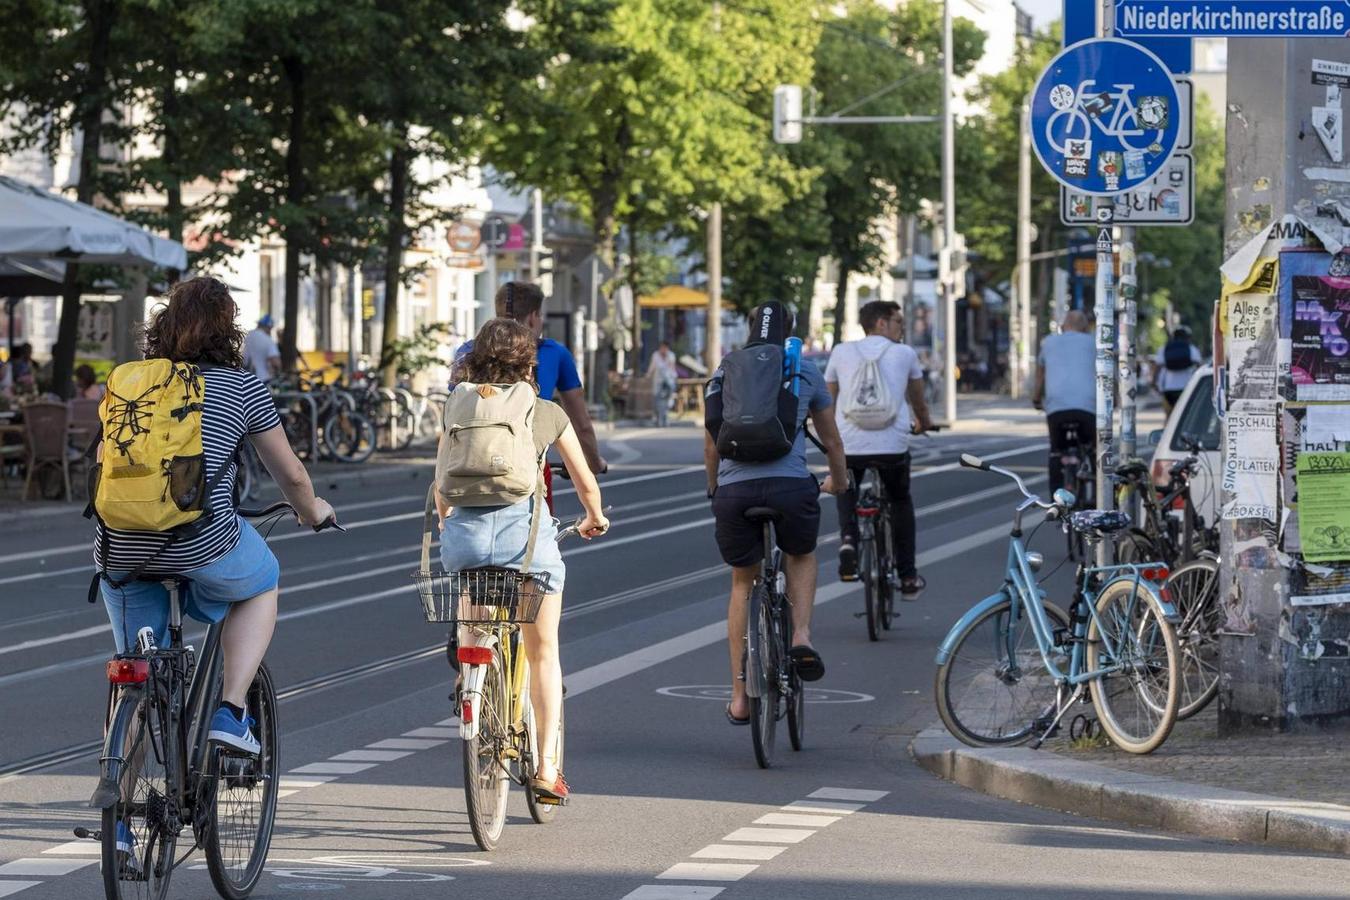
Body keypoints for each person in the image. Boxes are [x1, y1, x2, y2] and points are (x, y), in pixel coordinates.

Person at [95, 277, 336, 757]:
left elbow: (105, 460)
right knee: (262, 580)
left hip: (121, 548)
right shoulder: (242, 385)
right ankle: (230, 709)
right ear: (229, 329)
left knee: (134, 674)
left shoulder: (129, 380)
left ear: (164, 323)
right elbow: (290, 475)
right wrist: (313, 510)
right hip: (201, 541)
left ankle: (119, 821)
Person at [438, 317, 609, 802]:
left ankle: (472, 676)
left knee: (474, 617)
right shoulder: (545, 411)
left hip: (467, 543)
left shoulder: (456, 404)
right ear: (529, 361)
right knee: (543, 652)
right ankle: (547, 768)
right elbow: (583, 482)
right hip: (526, 545)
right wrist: (594, 516)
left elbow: (441, 485)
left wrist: (446, 523)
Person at [705, 301, 848, 726]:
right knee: (801, 554)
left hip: (734, 493)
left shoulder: (724, 369)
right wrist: (838, 481)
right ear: (792, 332)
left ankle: (738, 696)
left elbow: (712, 443)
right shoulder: (803, 370)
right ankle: (801, 634)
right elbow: (833, 441)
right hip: (790, 488)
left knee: (742, 580)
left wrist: (715, 487)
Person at [455, 282, 606, 506]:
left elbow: (452, 416)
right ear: (534, 316)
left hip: (469, 466)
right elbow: (580, 423)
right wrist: (594, 462)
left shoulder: (467, 351)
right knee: (538, 534)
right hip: (528, 469)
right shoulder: (553, 353)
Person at [825, 300, 934, 596]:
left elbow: (827, 402)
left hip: (850, 441)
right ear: (882, 323)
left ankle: (848, 540)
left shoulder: (841, 351)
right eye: (898, 322)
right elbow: (918, 401)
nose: (902, 328)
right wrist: (924, 422)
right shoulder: (905, 354)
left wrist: (830, 436)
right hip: (891, 445)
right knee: (900, 501)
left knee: (844, 485)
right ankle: (908, 577)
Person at [1032, 310, 1097, 494]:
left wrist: (1036, 398)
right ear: (1085, 327)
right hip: (1087, 407)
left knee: (1056, 450)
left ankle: (1055, 496)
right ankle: (1101, 493)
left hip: (1056, 407)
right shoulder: (1093, 343)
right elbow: (1108, 375)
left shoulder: (1049, 342)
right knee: (1094, 448)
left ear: (1063, 326)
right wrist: (1114, 398)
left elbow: (1040, 375)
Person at [1154, 325, 1202, 413]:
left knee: (1170, 415)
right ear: (1188, 337)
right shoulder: (1192, 349)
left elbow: (1157, 368)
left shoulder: (1164, 349)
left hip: (1168, 389)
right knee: (1186, 414)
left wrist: (1154, 383)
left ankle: (1169, 426)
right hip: (1187, 387)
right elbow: (1200, 367)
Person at [647, 340, 679, 428]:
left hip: (669, 381)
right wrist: (648, 374)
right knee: (656, 400)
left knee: (668, 401)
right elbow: (652, 366)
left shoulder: (671, 355)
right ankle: (658, 418)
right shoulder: (655, 355)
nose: (663, 350)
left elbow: (672, 367)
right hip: (658, 381)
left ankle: (665, 418)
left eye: (665, 348)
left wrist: (674, 377)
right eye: (662, 348)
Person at [242, 314, 281, 383]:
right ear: (269, 327)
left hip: (246, 378)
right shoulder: (268, 340)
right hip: (263, 379)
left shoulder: (248, 336)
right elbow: (275, 362)